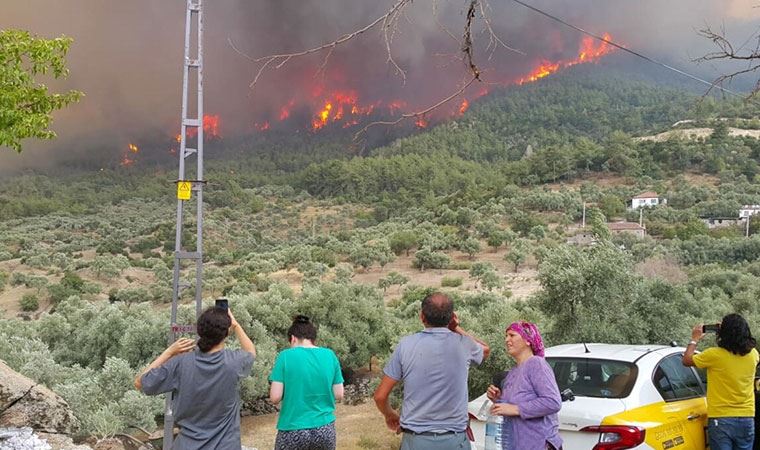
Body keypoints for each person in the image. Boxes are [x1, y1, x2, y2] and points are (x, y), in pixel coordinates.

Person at [373, 292, 490, 450]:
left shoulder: (405, 345)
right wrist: (457, 329)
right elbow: (485, 350)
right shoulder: (465, 345)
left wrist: (390, 414)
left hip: (415, 441)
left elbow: (380, 396)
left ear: (422, 316)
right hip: (455, 440)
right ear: (452, 316)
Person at [135, 307, 256, 450]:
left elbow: (139, 382)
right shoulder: (234, 362)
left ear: (199, 331)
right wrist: (236, 325)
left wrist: (169, 352)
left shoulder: (180, 363)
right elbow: (250, 352)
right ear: (226, 333)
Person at [683, 313, 759, 450]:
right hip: (747, 417)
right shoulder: (754, 354)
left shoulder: (714, 355)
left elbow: (686, 360)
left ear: (723, 333)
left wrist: (694, 339)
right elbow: (733, 353)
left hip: (721, 418)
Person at [269, 315, 344, 450]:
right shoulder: (330, 355)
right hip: (325, 428)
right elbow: (339, 394)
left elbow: (275, 397)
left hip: (293, 429)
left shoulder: (285, 356)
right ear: (313, 339)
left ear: (292, 339)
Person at [486, 321, 562, 450]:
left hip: (539, 445)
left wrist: (516, 409)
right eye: (506, 336)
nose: (506, 340)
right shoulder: (513, 372)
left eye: (512, 335)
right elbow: (513, 405)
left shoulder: (536, 364)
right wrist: (498, 399)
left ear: (528, 340)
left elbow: (553, 402)